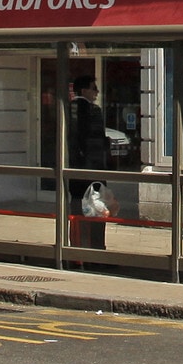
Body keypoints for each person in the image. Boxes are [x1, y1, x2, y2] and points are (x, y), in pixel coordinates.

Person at [67, 74, 109, 244]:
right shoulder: (93, 110)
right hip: (92, 173)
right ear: (84, 91)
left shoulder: (67, 109)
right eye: (94, 88)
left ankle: (77, 247)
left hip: (74, 174)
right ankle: (95, 248)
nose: (97, 92)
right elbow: (95, 143)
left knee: (77, 213)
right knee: (96, 214)